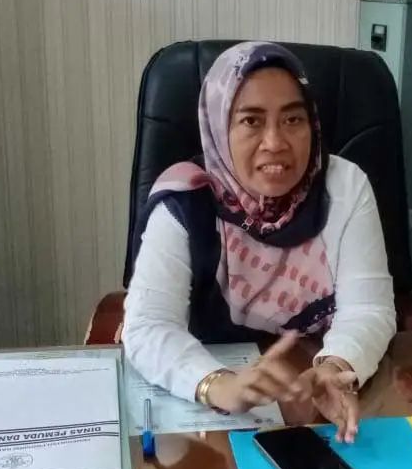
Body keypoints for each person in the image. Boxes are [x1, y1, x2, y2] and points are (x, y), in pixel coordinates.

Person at [123, 41, 396, 443]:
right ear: (219, 127)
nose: (275, 142)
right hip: (210, 412)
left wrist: (337, 367)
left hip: (315, 400)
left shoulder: (343, 186)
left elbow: (368, 307)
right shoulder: (185, 200)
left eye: (293, 119)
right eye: (251, 121)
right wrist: (217, 384)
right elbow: (149, 325)